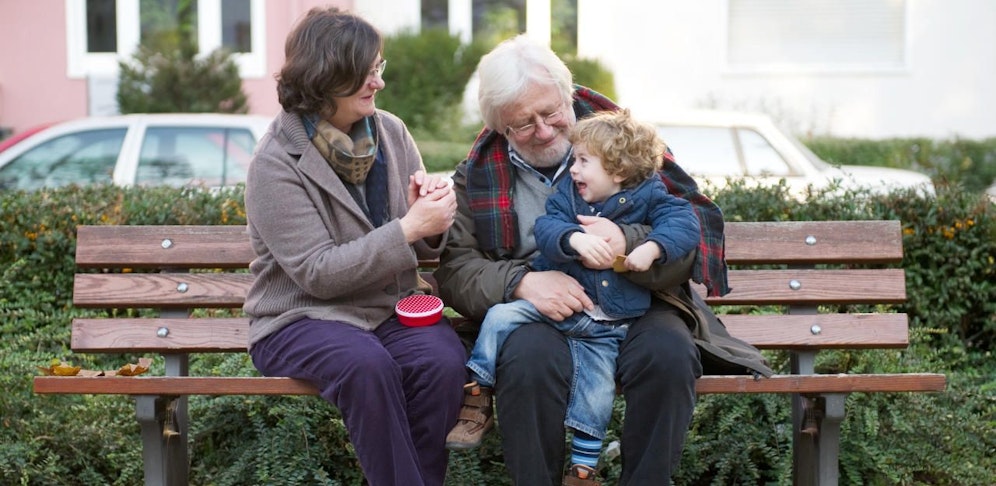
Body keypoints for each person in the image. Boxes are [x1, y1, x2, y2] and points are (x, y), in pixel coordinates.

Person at [434, 35, 772, 486]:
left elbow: (684, 236)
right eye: (524, 123)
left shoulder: (627, 152)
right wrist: (521, 283)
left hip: (638, 299)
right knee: (526, 362)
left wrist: (626, 243)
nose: (545, 131)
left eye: (551, 112)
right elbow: (457, 270)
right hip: (542, 310)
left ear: (568, 96)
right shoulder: (475, 178)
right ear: (500, 126)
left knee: (669, 354)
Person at [242, 7, 466, 486]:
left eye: (378, 67)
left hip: (388, 311)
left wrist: (431, 216)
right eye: (366, 72)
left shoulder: (392, 132)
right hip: (301, 318)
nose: (378, 82)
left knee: (442, 363)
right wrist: (407, 229)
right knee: (367, 366)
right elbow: (318, 273)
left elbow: (424, 242)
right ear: (326, 76)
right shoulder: (275, 162)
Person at [445, 109, 702, 482]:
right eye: (524, 121)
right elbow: (547, 227)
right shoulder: (558, 188)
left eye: (582, 161)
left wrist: (642, 245)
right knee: (522, 352)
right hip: (556, 301)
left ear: (617, 170)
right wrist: (569, 242)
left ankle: (593, 472)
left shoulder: (647, 186)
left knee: (659, 358)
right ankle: (479, 392)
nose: (573, 167)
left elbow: (685, 226)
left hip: (627, 309)